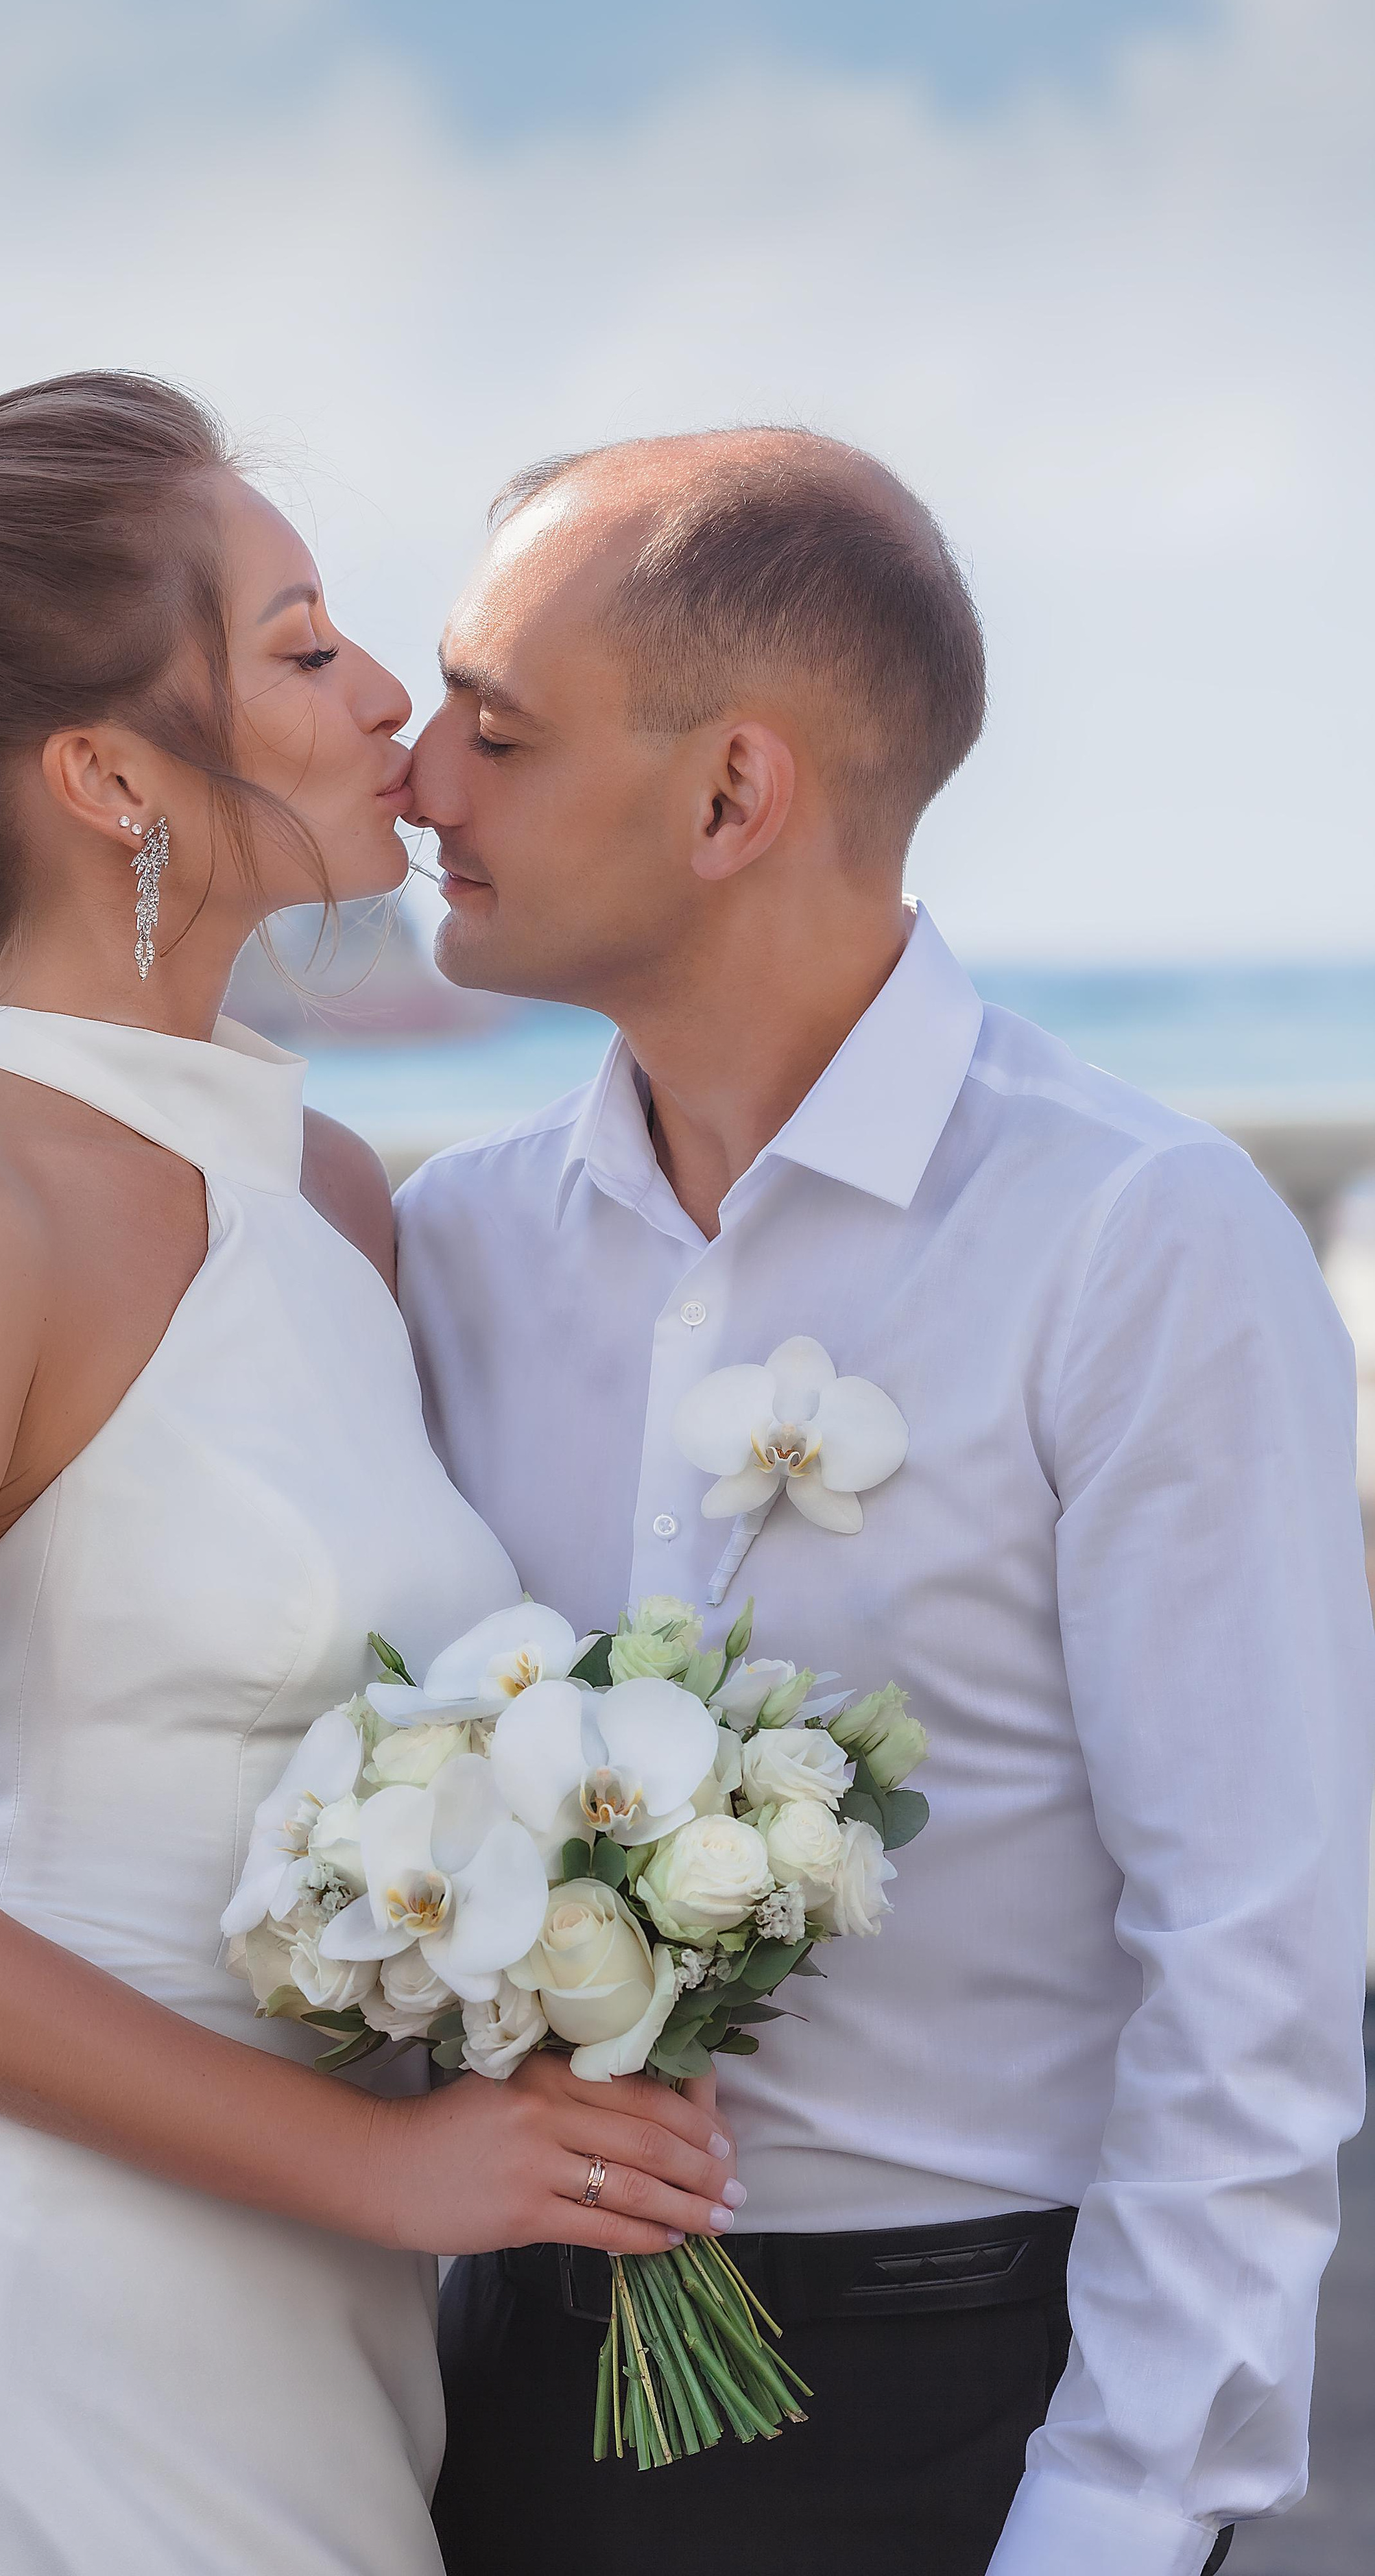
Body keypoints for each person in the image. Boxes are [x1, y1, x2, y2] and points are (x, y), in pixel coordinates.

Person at [0, 374, 740, 2576]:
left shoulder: (332, 1192)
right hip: (17, 2336)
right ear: (103, 774)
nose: (387, 700)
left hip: (310, 2340)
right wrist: (383, 2173)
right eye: (299, 642)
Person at [397, 427, 1375, 2576]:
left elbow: (1255, 1958)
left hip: (970, 2420)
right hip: (487, 2400)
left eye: (495, 725)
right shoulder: (450, 1248)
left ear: (735, 794)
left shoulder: (1140, 1237)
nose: (416, 781)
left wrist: (1118, 2513)